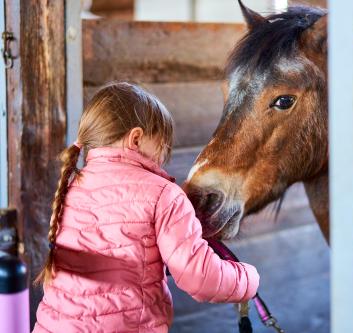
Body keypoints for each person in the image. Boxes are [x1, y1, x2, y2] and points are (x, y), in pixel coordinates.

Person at [32, 82, 259, 332]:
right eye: (163, 145)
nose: (164, 157)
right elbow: (200, 278)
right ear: (136, 138)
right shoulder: (163, 194)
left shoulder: (73, 185)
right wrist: (247, 278)